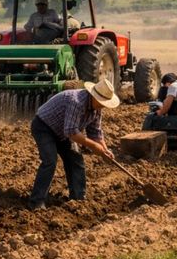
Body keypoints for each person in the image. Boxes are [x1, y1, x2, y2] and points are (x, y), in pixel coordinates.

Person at [28, 79, 119, 210]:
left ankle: (78, 199)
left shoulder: (97, 109)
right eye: (102, 102)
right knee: (50, 161)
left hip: (63, 131)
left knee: (75, 159)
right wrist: (94, 146)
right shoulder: (76, 101)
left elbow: (95, 132)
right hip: (44, 127)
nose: (103, 106)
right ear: (93, 96)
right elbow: (71, 132)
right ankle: (36, 202)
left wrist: (104, 150)